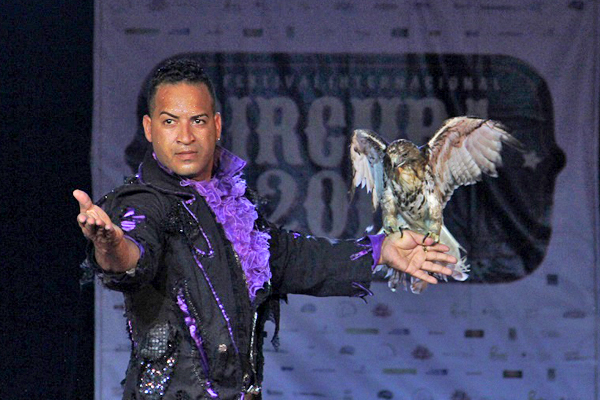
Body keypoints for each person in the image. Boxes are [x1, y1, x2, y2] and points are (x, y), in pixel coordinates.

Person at [74, 58, 455, 400]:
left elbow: (292, 257)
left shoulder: (234, 205)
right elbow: (133, 254)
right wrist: (111, 245)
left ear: (216, 125)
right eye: (170, 121)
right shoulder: (143, 200)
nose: (185, 136)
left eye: (198, 121)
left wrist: (379, 249)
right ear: (149, 128)